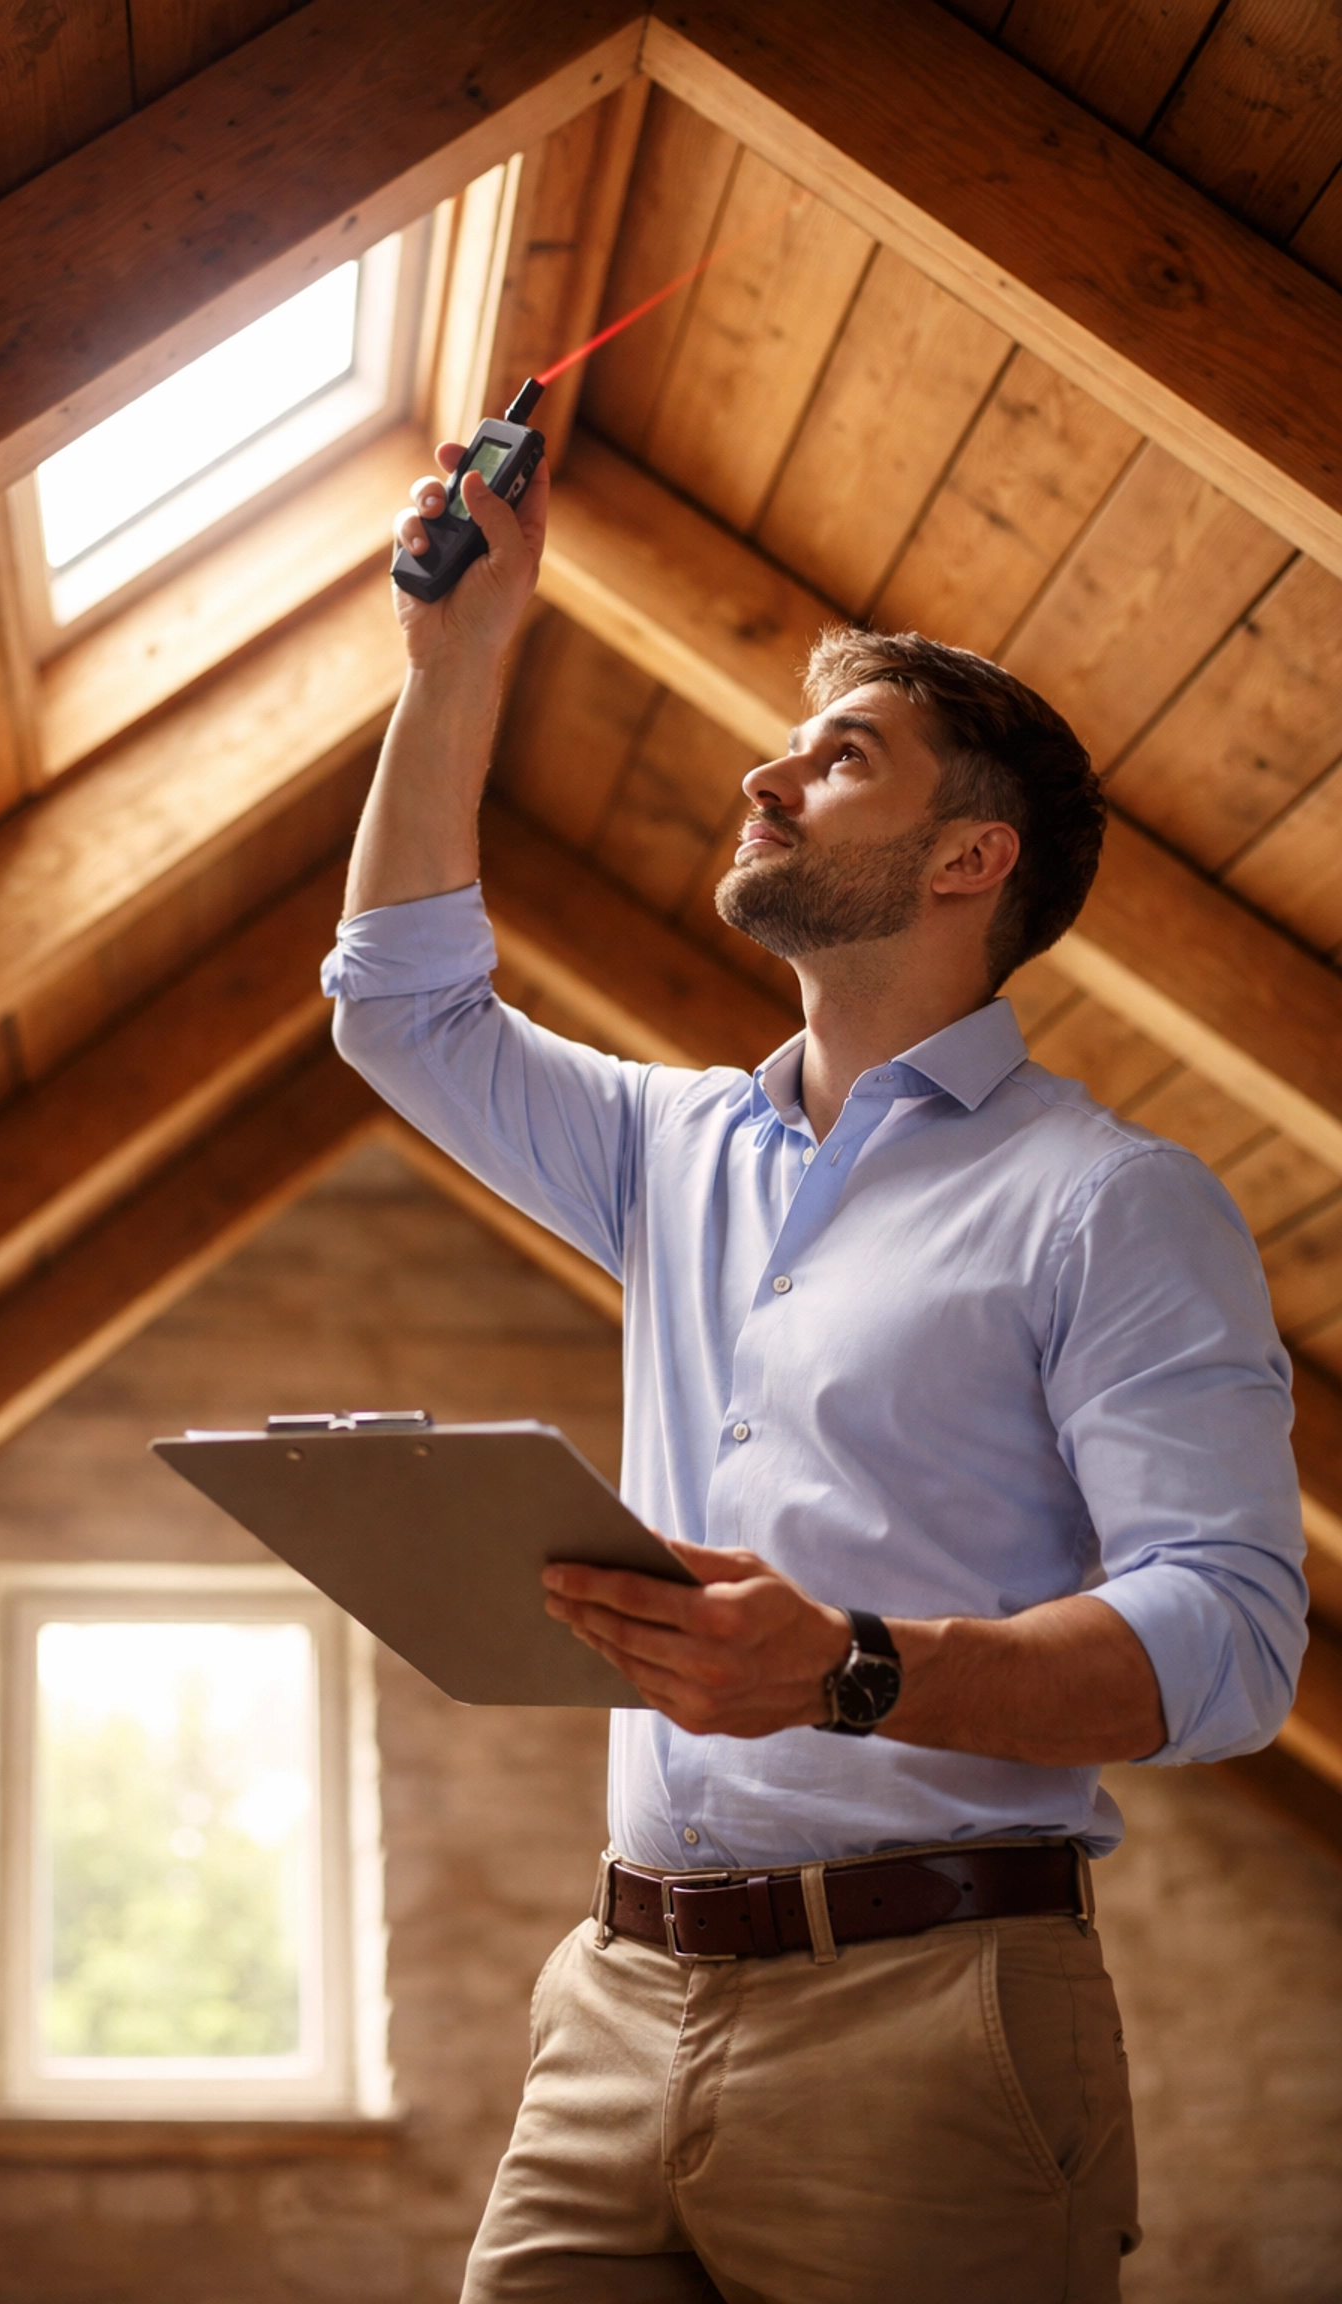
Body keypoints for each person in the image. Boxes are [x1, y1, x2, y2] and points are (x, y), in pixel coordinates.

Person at [320, 439, 1308, 2304]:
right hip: (613, 2002)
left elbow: (1236, 1638)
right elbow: (401, 1006)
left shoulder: (1112, 1202)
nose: (765, 769)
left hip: (936, 2022)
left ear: (969, 858)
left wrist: (856, 1668)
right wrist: (455, 657)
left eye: (842, 753)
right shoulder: (673, 1147)